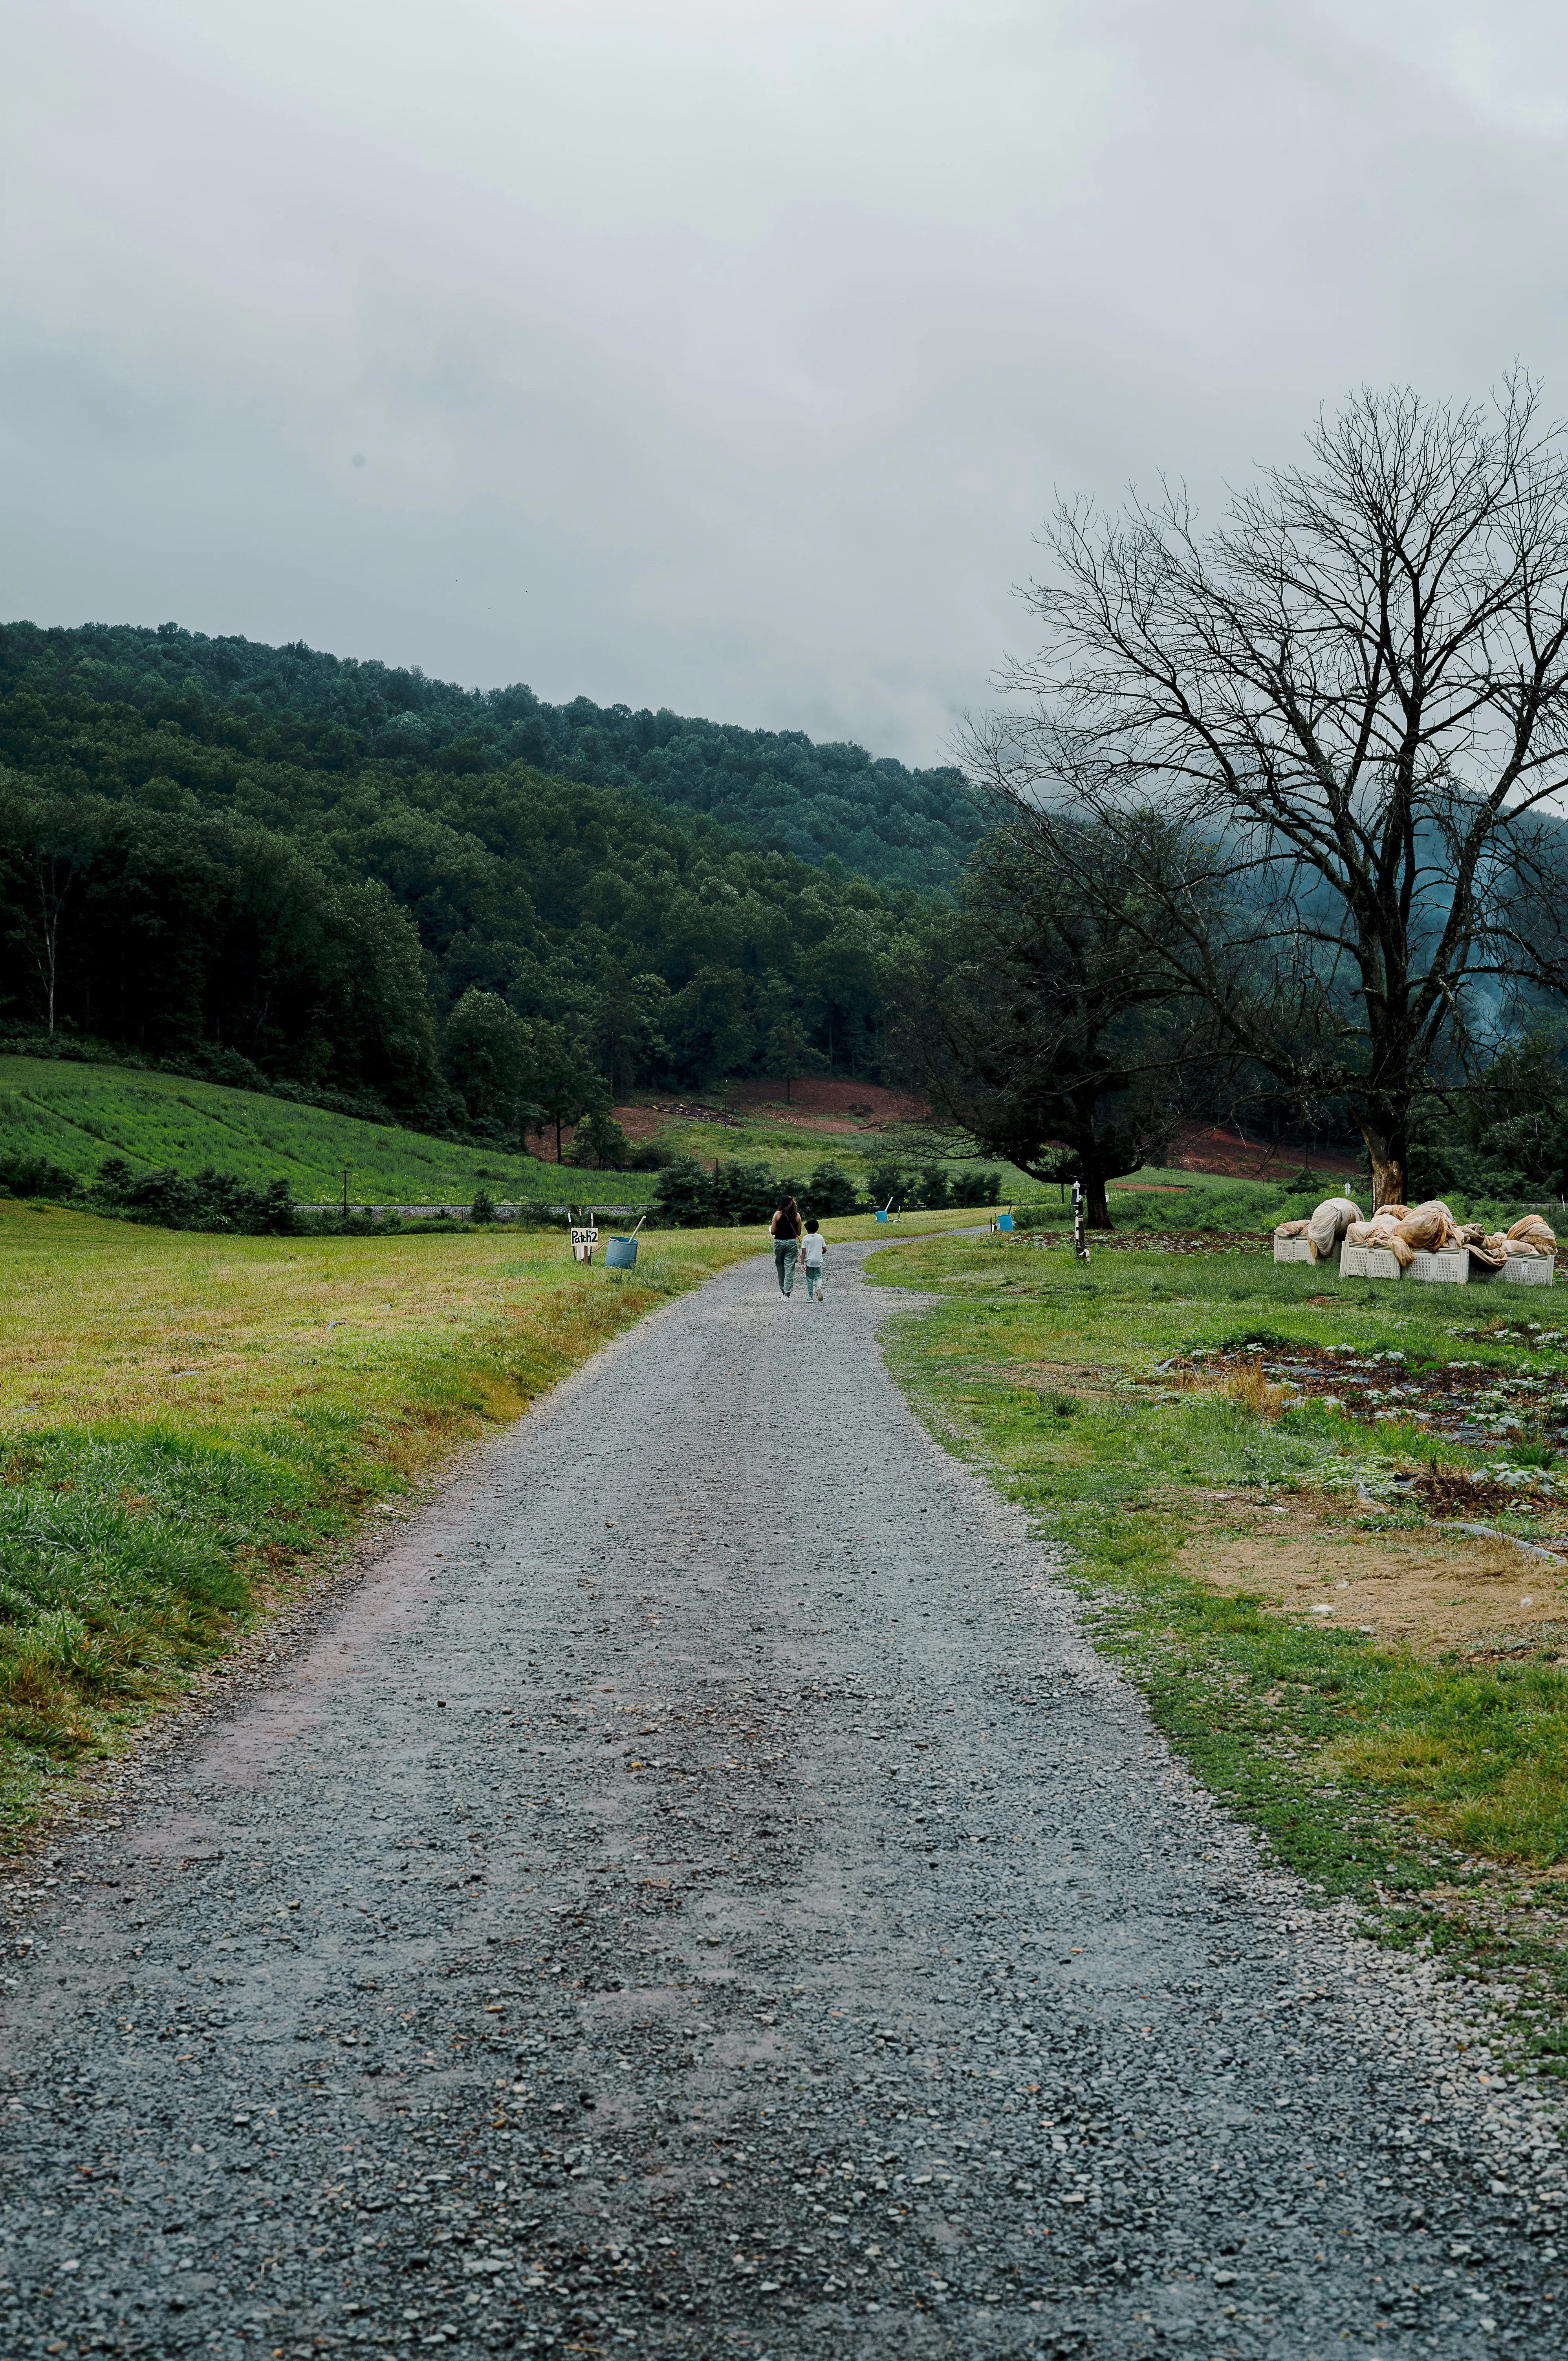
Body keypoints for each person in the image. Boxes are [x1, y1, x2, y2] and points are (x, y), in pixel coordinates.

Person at [769, 1195, 802, 1295]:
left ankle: (783, 1291)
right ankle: (787, 1294)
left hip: (779, 1242)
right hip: (792, 1243)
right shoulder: (797, 1216)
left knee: (780, 1267)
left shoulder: (777, 1214)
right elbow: (799, 1233)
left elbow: (773, 1231)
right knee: (790, 1268)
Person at [800, 1216, 827, 1302]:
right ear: (817, 1228)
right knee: (818, 1276)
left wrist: (803, 1263)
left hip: (809, 1262)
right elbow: (825, 1249)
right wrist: (820, 1254)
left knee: (810, 1279)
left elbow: (804, 1251)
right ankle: (819, 1287)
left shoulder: (805, 1238)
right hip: (818, 1261)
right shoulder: (820, 1237)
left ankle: (811, 1297)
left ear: (807, 1229)